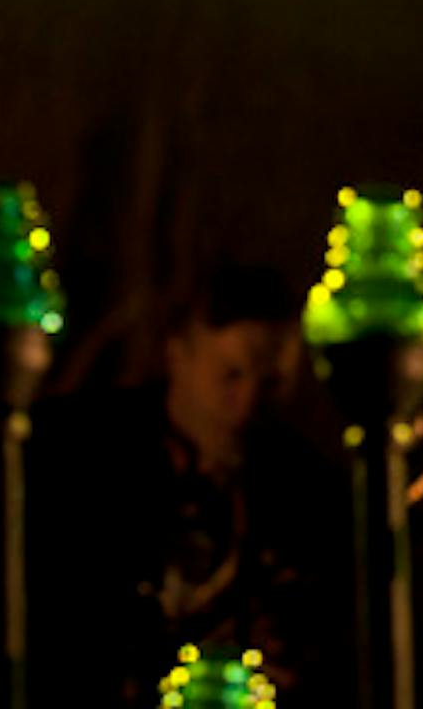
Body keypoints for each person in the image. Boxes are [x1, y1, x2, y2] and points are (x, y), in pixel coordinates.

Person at [28, 266, 350, 704]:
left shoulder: (309, 491)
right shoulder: (71, 454)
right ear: (178, 355)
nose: (248, 404)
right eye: (230, 376)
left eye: (272, 382)